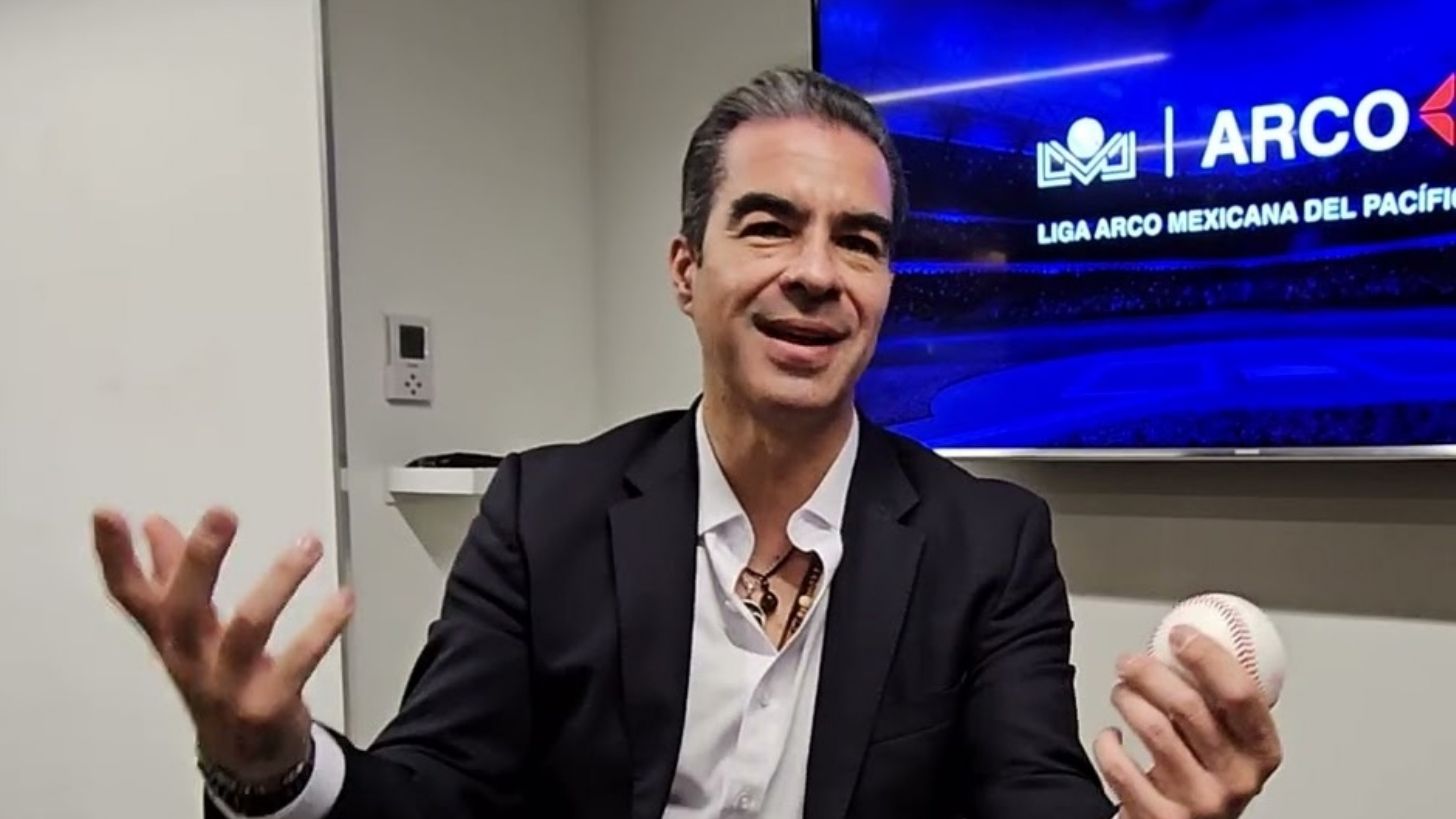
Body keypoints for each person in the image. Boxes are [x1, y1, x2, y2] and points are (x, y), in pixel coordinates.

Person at [94, 67, 1282, 818]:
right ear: (685, 271)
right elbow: (434, 794)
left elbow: (1030, 797)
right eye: (768, 226)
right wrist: (277, 765)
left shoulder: (990, 541)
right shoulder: (545, 514)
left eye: (858, 241)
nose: (816, 273)